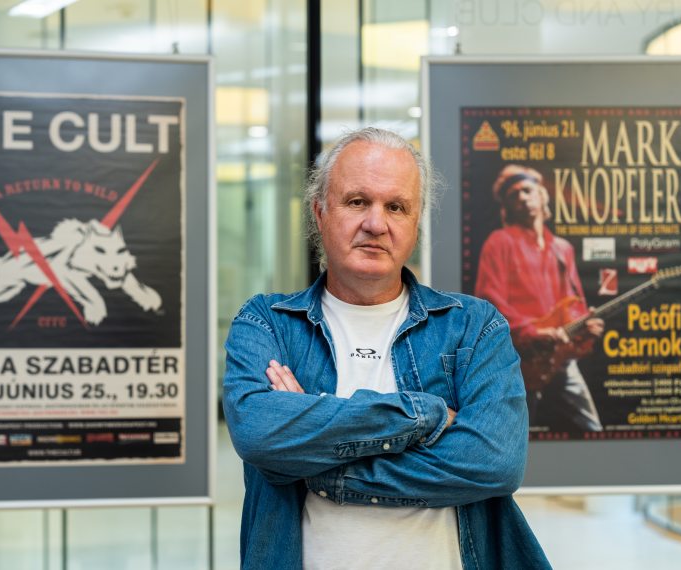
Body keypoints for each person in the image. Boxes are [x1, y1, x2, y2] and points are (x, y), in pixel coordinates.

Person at [223, 128, 550, 569]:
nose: (376, 224)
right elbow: (259, 433)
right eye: (358, 201)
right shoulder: (268, 323)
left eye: (396, 207)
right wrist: (423, 415)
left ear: (415, 223)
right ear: (320, 212)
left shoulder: (473, 327)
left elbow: (495, 462)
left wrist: (318, 461)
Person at [474, 164, 603, 433]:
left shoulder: (562, 249)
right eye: (513, 195)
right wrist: (532, 332)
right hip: (519, 360)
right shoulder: (499, 242)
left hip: (559, 358)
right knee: (512, 436)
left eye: (527, 190)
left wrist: (585, 326)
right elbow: (489, 303)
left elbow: (573, 303)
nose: (522, 197)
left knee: (593, 430)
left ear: (542, 195)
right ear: (507, 207)